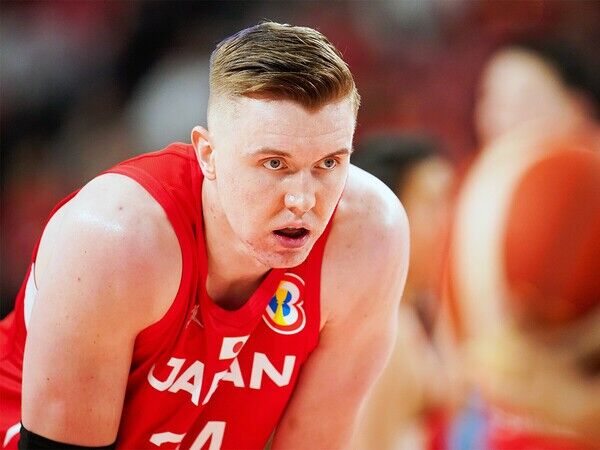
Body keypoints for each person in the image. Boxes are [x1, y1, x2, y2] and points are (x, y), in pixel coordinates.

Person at [0, 22, 409, 450]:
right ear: (208, 155)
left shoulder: (368, 235)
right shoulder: (117, 239)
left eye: (329, 163)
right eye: (274, 164)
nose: (303, 200)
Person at [350, 134, 456, 450]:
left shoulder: (415, 311)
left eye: (450, 201)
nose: (448, 220)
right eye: (433, 203)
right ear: (390, 215)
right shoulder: (386, 332)